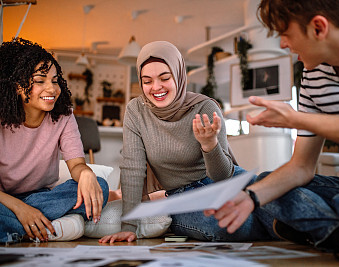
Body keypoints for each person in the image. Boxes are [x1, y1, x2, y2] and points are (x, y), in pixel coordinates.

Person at [204, 1, 339, 264]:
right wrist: (252, 197)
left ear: (319, 27)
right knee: (264, 183)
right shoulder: (313, 77)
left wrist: (299, 120)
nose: (283, 44)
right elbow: (301, 168)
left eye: (285, 33)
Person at [99, 41, 277, 243]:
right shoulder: (136, 111)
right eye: (147, 81)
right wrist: (128, 225)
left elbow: (223, 176)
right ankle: (281, 229)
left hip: (222, 182)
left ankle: (291, 225)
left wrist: (210, 145)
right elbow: (132, 168)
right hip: (180, 197)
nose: (156, 87)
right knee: (224, 226)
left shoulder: (205, 107)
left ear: (178, 75)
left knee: (276, 194)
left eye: (165, 78)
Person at [0, 38, 109, 244]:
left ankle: (18, 229)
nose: (52, 89)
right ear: (16, 86)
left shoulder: (63, 115)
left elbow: (76, 164)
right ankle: (36, 226)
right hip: (4, 199)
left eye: (55, 80)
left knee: (99, 186)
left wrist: (85, 173)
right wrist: (21, 209)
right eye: (40, 81)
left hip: (43, 196)